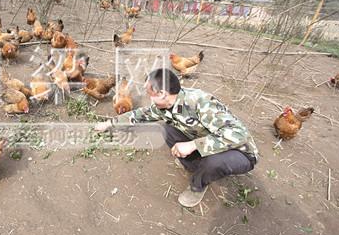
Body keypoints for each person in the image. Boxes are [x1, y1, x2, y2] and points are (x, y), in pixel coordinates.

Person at [95, 68, 259, 207]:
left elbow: (238, 134)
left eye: (150, 94)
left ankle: (198, 186)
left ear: (163, 93)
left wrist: (193, 145)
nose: (148, 98)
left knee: (214, 162)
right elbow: (140, 115)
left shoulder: (200, 102)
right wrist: (110, 123)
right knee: (167, 129)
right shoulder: (163, 106)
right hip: (209, 142)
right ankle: (196, 167)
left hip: (240, 152)